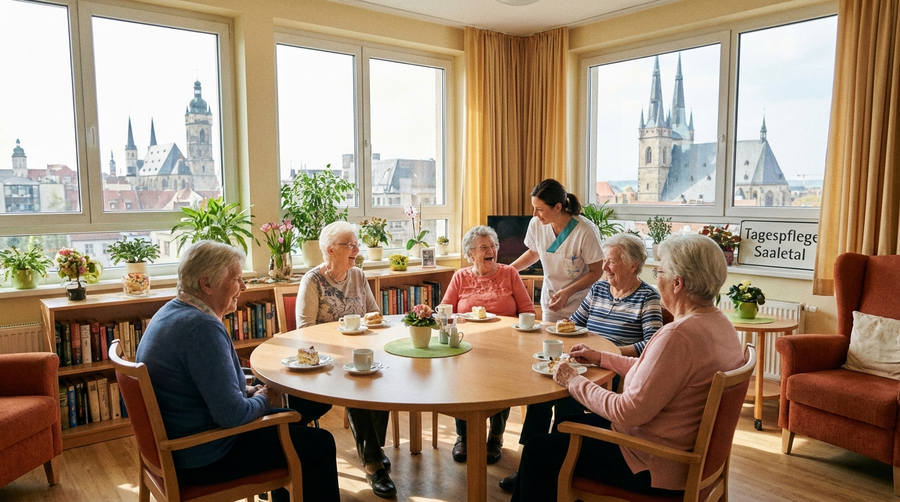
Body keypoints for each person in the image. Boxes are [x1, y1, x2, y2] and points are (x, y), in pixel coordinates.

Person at [510, 233, 747, 501]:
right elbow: (652, 369)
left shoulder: (677, 336)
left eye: (660, 271)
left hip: (652, 463)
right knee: (567, 423)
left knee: (538, 450)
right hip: (676, 448)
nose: (656, 278)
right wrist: (601, 357)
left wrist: (574, 381)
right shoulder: (720, 325)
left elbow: (626, 412)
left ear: (677, 283)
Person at [135, 240, 340, 502]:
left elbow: (203, 384)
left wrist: (249, 391)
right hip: (204, 456)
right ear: (206, 283)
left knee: (299, 409)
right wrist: (265, 398)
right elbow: (231, 415)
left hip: (181, 445)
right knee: (318, 443)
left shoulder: (170, 312)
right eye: (237, 279)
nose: (243, 287)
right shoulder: (202, 328)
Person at [500, 232, 663, 491]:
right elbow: (574, 324)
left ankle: (562, 464)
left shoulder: (647, 297)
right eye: (605, 261)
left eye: (612, 261)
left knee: (564, 396)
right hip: (585, 362)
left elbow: (653, 345)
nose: (605, 267)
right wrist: (558, 330)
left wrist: (611, 353)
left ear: (633, 265)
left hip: (615, 371)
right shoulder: (598, 288)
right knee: (540, 394)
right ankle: (529, 466)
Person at [294, 221, 396, 499]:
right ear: (330, 249)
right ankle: (374, 463)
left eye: (356, 243)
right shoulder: (312, 280)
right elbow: (304, 330)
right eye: (349, 244)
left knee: (383, 377)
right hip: (328, 361)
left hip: (360, 350)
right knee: (358, 384)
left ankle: (373, 447)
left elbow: (375, 315)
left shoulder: (359, 275)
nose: (356, 248)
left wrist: (370, 329)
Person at [440, 225, 535, 465]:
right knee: (459, 378)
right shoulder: (460, 276)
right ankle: (463, 436)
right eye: (484, 247)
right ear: (470, 254)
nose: (491, 250)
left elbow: (528, 311)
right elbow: (444, 312)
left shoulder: (509, 274)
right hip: (466, 345)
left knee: (501, 379)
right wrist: (455, 318)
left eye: (493, 246)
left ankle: (496, 436)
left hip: (506, 345)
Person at [511, 178, 604, 322]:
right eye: (534, 208)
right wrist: (509, 270)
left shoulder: (585, 230)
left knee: (576, 343)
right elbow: (534, 252)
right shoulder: (536, 224)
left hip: (581, 305)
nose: (535, 214)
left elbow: (597, 270)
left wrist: (568, 292)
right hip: (551, 302)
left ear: (558, 207)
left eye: (540, 209)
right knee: (550, 341)